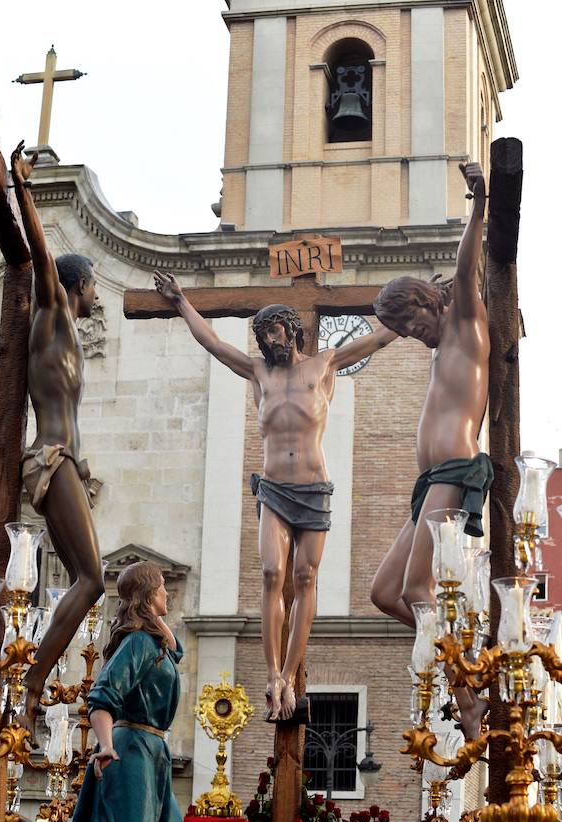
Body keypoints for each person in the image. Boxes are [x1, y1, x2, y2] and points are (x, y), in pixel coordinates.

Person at [153, 271, 397, 722]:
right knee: (271, 573)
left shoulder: (324, 364)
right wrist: (181, 301)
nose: (269, 340)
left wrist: (416, 308)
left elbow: (377, 341)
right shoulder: (259, 371)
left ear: (291, 328)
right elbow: (213, 343)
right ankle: (272, 675)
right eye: (263, 334)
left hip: (313, 486)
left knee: (305, 578)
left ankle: (290, 671)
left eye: (275, 330)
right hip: (274, 487)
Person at [370, 162, 493, 739]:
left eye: (411, 319)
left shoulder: (467, 325)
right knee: (383, 593)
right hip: (429, 485)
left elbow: (467, 269)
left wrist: (477, 203)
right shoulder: (437, 346)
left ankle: (468, 698)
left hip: (454, 471)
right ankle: (461, 652)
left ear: (430, 300)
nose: (411, 332)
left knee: (417, 589)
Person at [11, 141, 105, 739]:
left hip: (59, 459)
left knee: (82, 578)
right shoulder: (53, 312)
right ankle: (32, 686)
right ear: (79, 284)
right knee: (94, 578)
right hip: (51, 458)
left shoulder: (64, 328)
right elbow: (42, 255)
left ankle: (35, 680)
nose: (99, 294)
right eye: (94, 283)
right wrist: (22, 188)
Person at [70, 561, 183, 822]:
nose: (167, 593)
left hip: (153, 749)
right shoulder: (138, 643)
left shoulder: (154, 644)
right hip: (131, 750)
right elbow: (102, 695)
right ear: (149, 595)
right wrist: (106, 745)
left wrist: (150, 613)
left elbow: (175, 650)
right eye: (162, 588)